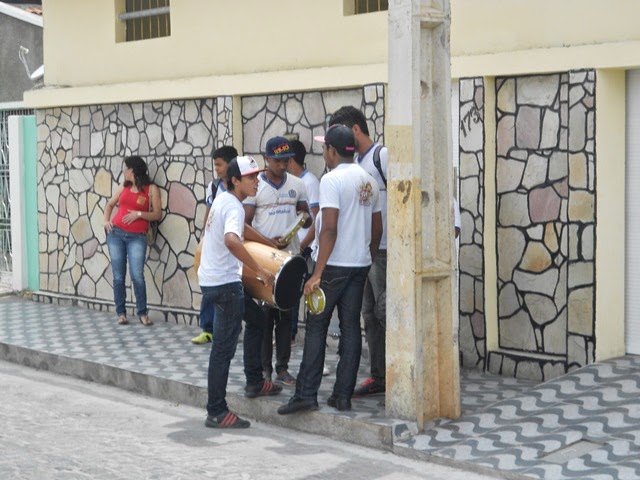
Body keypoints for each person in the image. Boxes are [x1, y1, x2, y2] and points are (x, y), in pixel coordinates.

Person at [278, 124, 382, 415]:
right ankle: (342, 396)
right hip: (359, 265)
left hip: (334, 266)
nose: (324, 153)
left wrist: (317, 273)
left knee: (316, 326)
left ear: (332, 151)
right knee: (350, 329)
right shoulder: (369, 181)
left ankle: (306, 395)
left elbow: (330, 228)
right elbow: (377, 229)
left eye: (324, 148)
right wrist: (365, 257)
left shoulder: (331, 181)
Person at [200, 156, 283, 429]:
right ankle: (217, 411)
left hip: (213, 281)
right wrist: (259, 269)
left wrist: (268, 242)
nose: (256, 181)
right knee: (223, 349)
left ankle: (255, 381)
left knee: (257, 320)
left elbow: (240, 230)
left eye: (257, 176)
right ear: (235, 180)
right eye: (251, 177)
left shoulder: (224, 199)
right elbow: (231, 239)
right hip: (225, 286)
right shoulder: (234, 206)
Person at [329, 106, 388, 398]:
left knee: (385, 310)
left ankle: (398, 374)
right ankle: (379, 376)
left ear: (353, 131)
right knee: (368, 314)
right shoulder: (354, 166)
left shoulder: (382, 157)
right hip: (365, 253)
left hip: (385, 250)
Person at [243, 136, 311, 387]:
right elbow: (245, 225)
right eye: (278, 161)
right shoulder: (255, 187)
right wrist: (268, 242)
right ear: (267, 160)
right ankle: (264, 371)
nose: (283, 165)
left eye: (287, 161)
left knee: (286, 317)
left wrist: (299, 223)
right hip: (264, 261)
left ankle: (282, 368)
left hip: (290, 260)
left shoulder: (296, 184)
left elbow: (306, 215)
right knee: (264, 318)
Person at [104, 155, 162, 326]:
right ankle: (121, 313)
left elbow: (157, 214)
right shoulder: (123, 186)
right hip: (116, 234)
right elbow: (110, 205)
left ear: (132, 170)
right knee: (118, 276)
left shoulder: (151, 189)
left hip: (137, 237)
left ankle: (142, 313)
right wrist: (106, 221)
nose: (123, 172)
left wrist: (139, 214)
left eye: (125, 169)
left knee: (137, 275)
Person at [192, 145, 239, 345]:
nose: (217, 169)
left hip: (234, 245)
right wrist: (205, 237)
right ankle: (207, 328)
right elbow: (209, 212)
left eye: (219, 165)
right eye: (215, 165)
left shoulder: (242, 186)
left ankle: (232, 330)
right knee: (210, 284)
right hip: (215, 246)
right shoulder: (213, 186)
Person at [285, 140, 320, 346]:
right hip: (293, 247)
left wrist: (303, 245)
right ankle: (288, 336)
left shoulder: (310, 182)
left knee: (302, 290)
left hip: (305, 248)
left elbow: (317, 220)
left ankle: (296, 335)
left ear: (291, 160)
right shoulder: (292, 183)